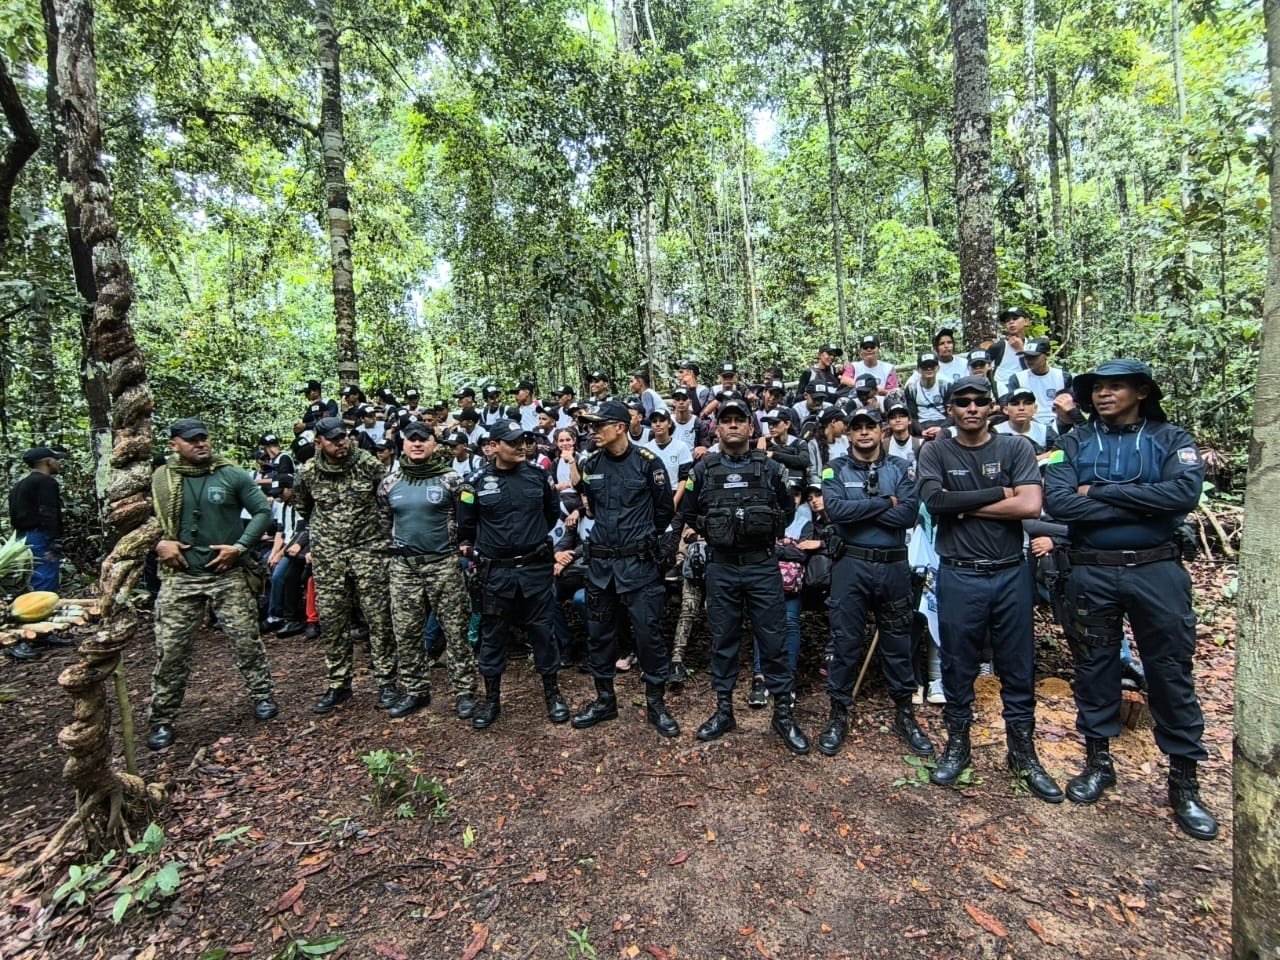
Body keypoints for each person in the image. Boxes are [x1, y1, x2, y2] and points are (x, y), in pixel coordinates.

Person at [1044, 359, 1217, 839]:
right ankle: (1098, 761)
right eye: (1097, 388)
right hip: (1092, 571)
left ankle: (1184, 781)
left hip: (1157, 569)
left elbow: (1182, 494)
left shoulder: (1171, 440)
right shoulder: (1073, 442)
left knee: (1169, 670)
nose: (1103, 395)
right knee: (1094, 666)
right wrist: (1142, 494)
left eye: (1115, 387)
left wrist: (1097, 490)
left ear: (1141, 391)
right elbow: (1059, 502)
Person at [914, 376, 1063, 802]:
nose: (972, 408)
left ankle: (1023, 752)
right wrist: (1002, 492)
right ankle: (957, 746)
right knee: (959, 663)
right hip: (960, 573)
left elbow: (1031, 505)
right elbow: (934, 502)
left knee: (1017, 664)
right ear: (950, 409)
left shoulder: (1014, 447)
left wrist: (965, 503)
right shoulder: (936, 450)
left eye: (981, 401)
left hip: (1010, 571)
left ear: (992, 406)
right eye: (963, 402)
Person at [679, 396, 809, 754]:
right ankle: (724, 711)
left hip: (761, 564)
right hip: (721, 565)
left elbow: (786, 509)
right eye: (726, 420)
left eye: (740, 419)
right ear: (717, 427)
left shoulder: (769, 469)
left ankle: (783, 714)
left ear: (751, 428)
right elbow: (689, 512)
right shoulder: (703, 470)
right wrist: (717, 531)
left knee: (774, 639)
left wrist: (757, 530)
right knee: (723, 638)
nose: (733, 425)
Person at [146, 419, 278, 750]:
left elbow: (262, 511)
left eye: (204, 438)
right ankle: (162, 718)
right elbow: (137, 520)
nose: (201, 444)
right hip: (181, 576)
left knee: (247, 640)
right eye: (192, 440)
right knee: (172, 650)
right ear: (175, 444)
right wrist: (159, 543)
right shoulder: (160, 480)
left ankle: (262, 696)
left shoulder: (230, 474)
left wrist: (241, 546)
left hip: (227, 574)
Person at [818, 410, 931, 758]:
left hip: (893, 567)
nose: (864, 433)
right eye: (857, 428)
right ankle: (838, 711)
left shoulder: (900, 469)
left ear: (881, 431)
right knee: (845, 641)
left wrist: (863, 508)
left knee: (898, 642)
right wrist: (886, 502)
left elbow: (908, 514)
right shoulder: (834, 469)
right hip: (850, 565)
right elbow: (837, 512)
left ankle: (904, 713)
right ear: (849, 434)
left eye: (870, 426)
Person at [570, 400, 679, 737]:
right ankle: (605, 700)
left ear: (619, 427)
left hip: (639, 565)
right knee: (599, 635)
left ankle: (656, 703)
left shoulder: (648, 464)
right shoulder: (590, 464)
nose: (593, 432)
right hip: (601, 566)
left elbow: (664, 512)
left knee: (648, 635)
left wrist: (643, 541)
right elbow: (591, 504)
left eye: (599, 425)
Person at [455, 419, 571, 729]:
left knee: (543, 632)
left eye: (524, 440)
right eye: (513, 442)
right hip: (496, 572)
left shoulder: (538, 475)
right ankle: (492, 699)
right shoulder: (474, 483)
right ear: (493, 446)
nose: (522, 446)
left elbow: (550, 515)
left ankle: (553, 693)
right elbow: (466, 527)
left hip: (534, 568)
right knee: (492, 635)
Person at [294, 417, 398, 715]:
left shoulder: (367, 463)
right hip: (329, 557)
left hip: (369, 552)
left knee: (379, 619)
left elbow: (386, 500)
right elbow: (304, 507)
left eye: (344, 437)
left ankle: (387, 681)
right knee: (333, 622)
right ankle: (338, 683)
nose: (341, 443)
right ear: (319, 443)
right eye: (334, 439)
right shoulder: (308, 473)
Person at [376, 421, 479, 721]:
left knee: (455, 630)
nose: (417, 444)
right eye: (411, 439)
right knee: (406, 631)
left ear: (435, 444)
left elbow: (467, 519)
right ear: (403, 444)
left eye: (423, 439)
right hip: (404, 568)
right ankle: (415, 690)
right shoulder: (389, 483)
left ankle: (465, 692)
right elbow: (384, 525)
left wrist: (461, 545)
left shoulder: (451, 480)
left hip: (443, 564)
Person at [8, 445, 67, 594]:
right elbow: (48, 511)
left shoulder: (18, 486)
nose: (58, 463)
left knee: (28, 577)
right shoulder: (46, 482)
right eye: (56, 460)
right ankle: (43, 614)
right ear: (48, 462)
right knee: (44, 577)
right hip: (40, 536)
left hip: (22, 539)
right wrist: (54, 540)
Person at [1007, 338, 1072, 428]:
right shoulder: (1017, 378)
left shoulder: (1063, 377)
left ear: (1047, 355)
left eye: (1033, 357)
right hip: (1028, 425)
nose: (1029, 360)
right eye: (1026, 356)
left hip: (1059, 424)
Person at [904, 352, 949, 437]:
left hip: (943, 422)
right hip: (922, 425)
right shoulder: (912, 389)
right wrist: (921, 431)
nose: (929, 369)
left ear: (938, 368)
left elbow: (952, 414)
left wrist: (942, 428)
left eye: (932, 366)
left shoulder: (945, 385)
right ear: (918, 369)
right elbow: (912, 416)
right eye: (925, 366)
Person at [989, 307, 1031, 386]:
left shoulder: (1031, 346)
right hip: (1002, 392)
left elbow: (1033, 372)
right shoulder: (1000, 346)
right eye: (1007, 320)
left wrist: (1021, 350)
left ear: (1026, 321)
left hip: (1025, 390)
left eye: (1015, 318)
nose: (1011, 322)